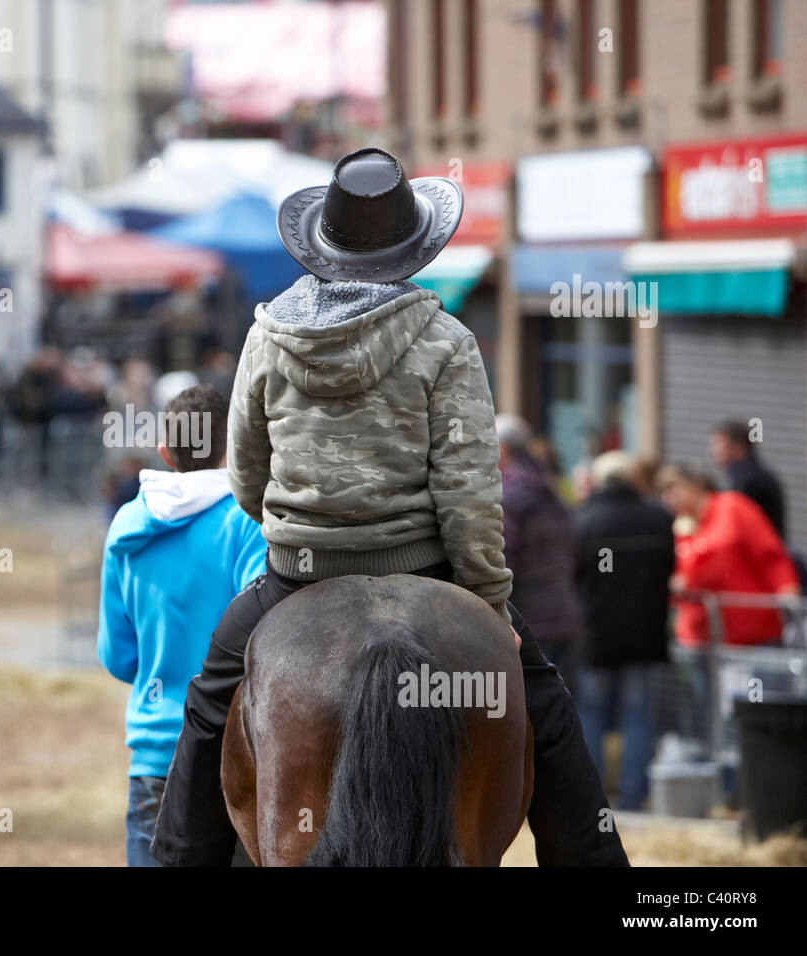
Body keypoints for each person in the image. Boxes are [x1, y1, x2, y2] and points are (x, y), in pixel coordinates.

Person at [150, 147, 626, 867]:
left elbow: (246, 474)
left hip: (296, 572)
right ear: (412, 248)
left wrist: (289, 525)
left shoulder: (268, 335)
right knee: (547, 708)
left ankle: (178, 860)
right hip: (432, 570)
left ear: (324, 245)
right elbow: (469, 491)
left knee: (210, 701)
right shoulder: (447, 340)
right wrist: (490, 605)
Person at [97, 385, 266, 866]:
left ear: (166, 451)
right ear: (232, 444)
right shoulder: (245, 521)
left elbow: (118, 657)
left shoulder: (126, 524)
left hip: (154, 754)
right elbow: (260, 637)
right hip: (234, 749)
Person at [573, 451, 675, 811]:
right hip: (645, 635)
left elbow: (574, 579)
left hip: (596, 635)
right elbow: (669, 570)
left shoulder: (583, 519)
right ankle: (633, 797)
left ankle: (593, 797)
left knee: (591, 713)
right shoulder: (659, 518)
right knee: (639, 713)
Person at [657, 463, 799, 647]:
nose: (668, 500)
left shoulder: (733, 508)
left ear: (695, 485)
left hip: (750, 632)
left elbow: (769, 555)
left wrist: (787, 595)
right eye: (663, 494)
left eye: (673, 490)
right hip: (701, 637)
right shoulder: (680, 529)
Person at [496, 414, 581, 685]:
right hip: (562, 616)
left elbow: (504, 563)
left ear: (501, 449)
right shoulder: (549, 489)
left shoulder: (509, 496)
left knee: (529, 715)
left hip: (528, 623)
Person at [709, 421, 786, 540]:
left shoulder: (745, 479)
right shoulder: (754, 473)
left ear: (739, 446)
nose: (713, 451)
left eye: (718, 444)